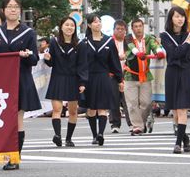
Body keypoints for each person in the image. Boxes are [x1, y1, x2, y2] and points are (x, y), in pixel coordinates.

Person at [0, 0, 39, 170]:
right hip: (1, 81)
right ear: (3, 10)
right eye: (9, 7)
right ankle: (7, 153)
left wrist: (27, 55)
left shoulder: (28, 32)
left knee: (17, 119)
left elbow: (34, 59)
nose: (13, 9)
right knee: (3, 119)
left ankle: (15, 157)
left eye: (16, 6)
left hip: (20, 78)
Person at [160, 6, 190, 154]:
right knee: (175, 111)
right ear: (171, 19)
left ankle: (178, 143)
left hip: (186, 74)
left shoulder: (188, 36)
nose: (180, 19)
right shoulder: (165, 36)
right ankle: (185, 138)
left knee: (182, 109)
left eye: (182, 16)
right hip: (172, 74)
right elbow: (174, 54)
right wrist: (187, 43)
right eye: (177, 16)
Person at [79, 14, 124, 147]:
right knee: (91, 109)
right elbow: (81, 64)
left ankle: (101, 134)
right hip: (89, 78)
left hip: (104, 77)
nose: (98, 24)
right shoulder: (84, 43)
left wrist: (120, 80)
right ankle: (94, 135)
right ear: (89, 25)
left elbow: (114, 62)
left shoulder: (109, 41)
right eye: (94, 22)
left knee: (102, 107)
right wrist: (81, 82)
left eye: (99, 21)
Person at [44, 17, 87, 147]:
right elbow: (51, 63)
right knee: (57, 109)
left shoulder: (80, 45)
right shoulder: (54, 42)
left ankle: (69, 138)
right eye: (67, 25)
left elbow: (82, 65)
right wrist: (47, 59)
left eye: (72, 25)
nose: (69, 27)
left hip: (73, 79)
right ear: (61, 27)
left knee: (73, 111)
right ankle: (57, 135)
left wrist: (82, 83)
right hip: (58, 77)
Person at [123, 17, 163, 135]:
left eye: (140, 26)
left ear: (143, 27)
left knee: (146, 103)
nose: (138, 29)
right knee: (132, 103)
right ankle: (137, 126)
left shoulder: (149, 38)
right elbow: (131, 48)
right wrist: (138, 53)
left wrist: (159, 52)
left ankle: (141, 123)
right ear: (132, 28)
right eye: (135, 27)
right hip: (130, 75)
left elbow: (155, 45)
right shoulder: (128, 38)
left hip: (145, 76)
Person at [108, 20, 130, 133]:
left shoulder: (129, 43)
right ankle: (115, 124)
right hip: (112, 74)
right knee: (114, 99)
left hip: (127, 73)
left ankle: (132, 123)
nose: (120, 31)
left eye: (122, 29)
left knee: (128, 100)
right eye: (118, 29)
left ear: (125, 31)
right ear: (113, 30)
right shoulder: (109, 42)